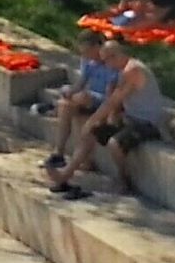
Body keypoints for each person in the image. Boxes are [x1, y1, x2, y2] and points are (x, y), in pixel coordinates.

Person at [46, 41, 166, 195]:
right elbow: (115, 101)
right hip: (129, 118)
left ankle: (124, 180)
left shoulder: (133, 70)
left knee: (114, 144)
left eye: (106, 61)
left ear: (115, 56)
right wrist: (101, 120)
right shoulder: (124, 71)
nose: (106, 66)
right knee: (91, 132)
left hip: (147, 123)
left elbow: (113, 100)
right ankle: (66, 174)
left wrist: (92, 120)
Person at [44, 32, 120, 170]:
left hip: (105, 101)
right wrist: (71, 92)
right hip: (88, 98)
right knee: (65, 104)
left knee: (82, 98)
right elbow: (81, 82)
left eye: (88, 52)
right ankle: (58, 152)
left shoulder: (112, 62)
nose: (86, 56)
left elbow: (112, 95)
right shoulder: (88, 61)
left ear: (98, 46)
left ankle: (83, 160)